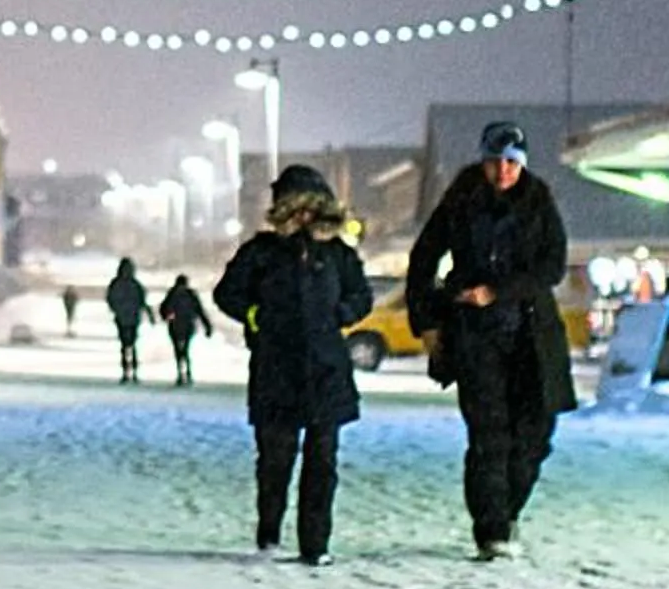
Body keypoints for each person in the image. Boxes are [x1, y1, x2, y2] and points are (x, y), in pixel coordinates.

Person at [406, 120, 575, 561]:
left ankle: (507, 511)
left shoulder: (539, 202)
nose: (502, 171)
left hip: (532, 335)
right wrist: (427, 321)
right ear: (482, 161)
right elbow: (423, 256)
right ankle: (492, 530)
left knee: (536, 433)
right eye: (494, 161)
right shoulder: (461, 201)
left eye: (511, 163)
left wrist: (498, 290)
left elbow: (552, 266)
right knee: (490, 435)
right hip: (475, 337)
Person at [212, 166, 373, 563]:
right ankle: (269, 531)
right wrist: (254, 314)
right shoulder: (262, 252)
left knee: (322, 463)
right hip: (276, 369)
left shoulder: (338, 255)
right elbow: (226, 293)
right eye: (295, 209)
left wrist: (343, 312)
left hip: (326, 370)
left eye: (311, 209)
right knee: (275, 460)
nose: (303, 217)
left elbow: (362, 295)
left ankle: (315, 544)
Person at [157, 272, 212, 384]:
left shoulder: (172, 293)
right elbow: (200, 310)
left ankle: (180, 373)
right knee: (186, 348)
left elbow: (163, 308)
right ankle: (187, 372)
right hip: (188, 324)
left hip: (175, 324)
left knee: (178, 349)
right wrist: (207, 326)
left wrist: (165, 317)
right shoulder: (191, 294)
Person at [104, 257, 149, 383]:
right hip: (134, 318)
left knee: (124, 345)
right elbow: (142, 300)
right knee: (133, 344)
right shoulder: (135, 284)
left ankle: (125, 371)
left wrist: (116, 309)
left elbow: (110, 298)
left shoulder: (115, 283)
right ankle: (134, 370)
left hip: (121, 318)